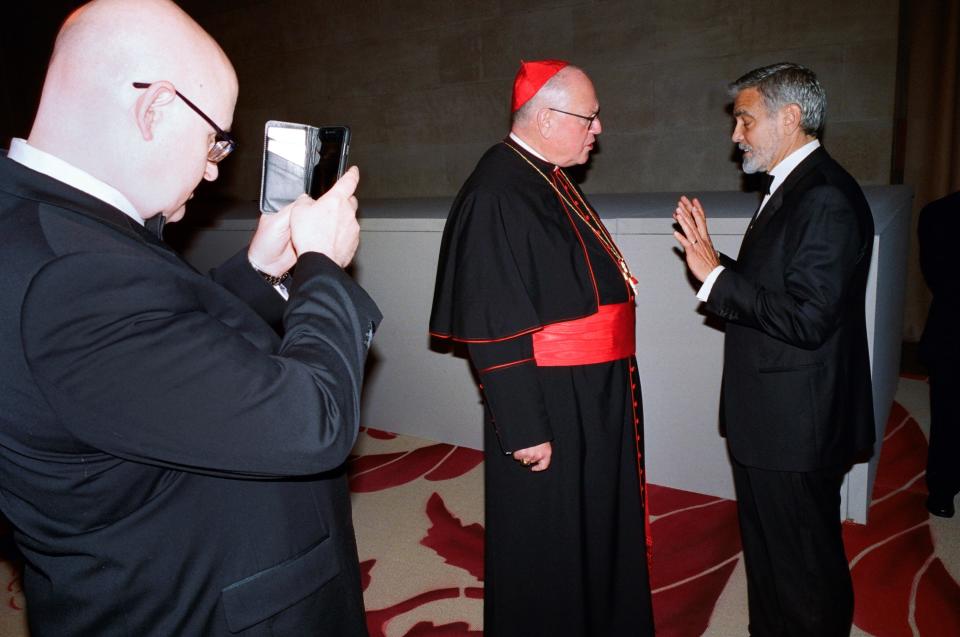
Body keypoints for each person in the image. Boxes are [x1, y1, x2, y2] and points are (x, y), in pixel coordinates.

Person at [0, 1, 380, 635]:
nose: (212, 168)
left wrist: (259, 270)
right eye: (215, 140)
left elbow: (156, 347)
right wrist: (323, 268)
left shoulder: (40, 221)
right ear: (156, 109)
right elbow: (315, 421)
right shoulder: (73, 279)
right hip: (209, 605)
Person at [429, 60, 654, 637]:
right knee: (549, 539)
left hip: (594, 389)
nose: (598, 128)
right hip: (550, 397)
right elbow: (491, 324)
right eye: (590, 116)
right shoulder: (496, 191)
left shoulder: (545, 174)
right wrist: (524, 427)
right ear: (550, 117)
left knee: (593, 525)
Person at [673, 62, 875, 636]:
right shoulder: (794, 186)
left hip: (797, 427)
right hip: (773, 420)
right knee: (771, 563)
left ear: (789, 118)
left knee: (804, 572)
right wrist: (718, 266)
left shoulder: (826, 196)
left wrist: (716, 278)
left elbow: (809, 318)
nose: (736, 135)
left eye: (745, 119)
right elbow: (782, 291)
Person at [918, 190, 960, 518]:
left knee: (947, 413)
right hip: (951, 335)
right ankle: (942, 489)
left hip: (950, 332)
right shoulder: (937, 214)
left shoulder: (936, 213)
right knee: (948, 413)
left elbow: (937, 277)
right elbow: (939, 278)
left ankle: (942, 491)